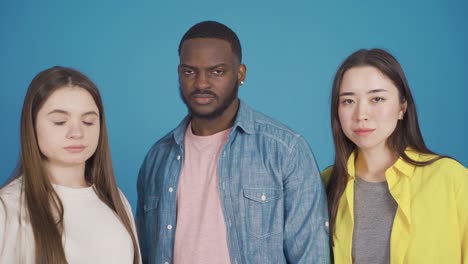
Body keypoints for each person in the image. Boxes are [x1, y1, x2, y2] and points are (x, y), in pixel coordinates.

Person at [136, 20, 329, 264]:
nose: (201, 83)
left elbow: (311, 256)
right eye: (189, 71)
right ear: (179, 74)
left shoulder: (285, 150)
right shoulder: (157, 158)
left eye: (217, 71)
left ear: (240, 74)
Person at [323, 48, 468, 263]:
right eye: (348, 101)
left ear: (402, 107)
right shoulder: (325, 184)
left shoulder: (451, 179)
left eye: (377, 99)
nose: (361, 114)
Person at [0, 66, 141, 264]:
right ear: (32, 125)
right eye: (60, 121)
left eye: (89, 121)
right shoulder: (7, 208)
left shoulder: (116, 200)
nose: (77, 133)